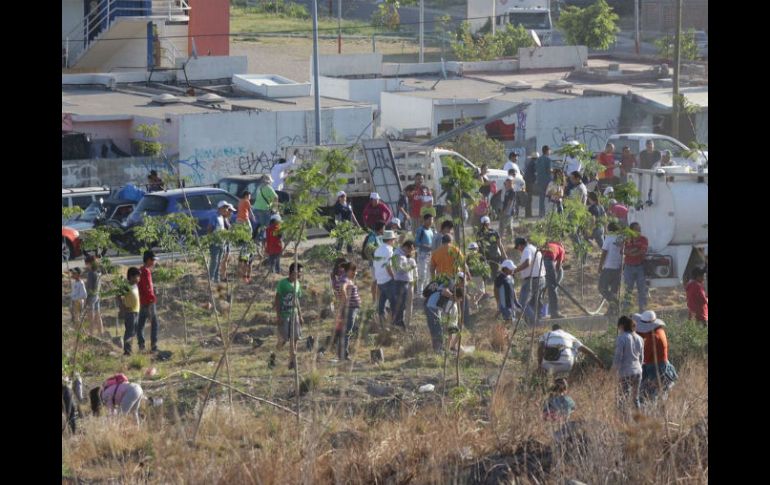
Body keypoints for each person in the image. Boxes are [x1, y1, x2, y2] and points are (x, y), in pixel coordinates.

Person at [634, 311, 678, 403]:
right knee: (658, 393)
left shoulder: (653, 337)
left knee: (652, 394)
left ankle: (653, 413)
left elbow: (644, 356)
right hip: (658, 365)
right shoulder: (658, 330)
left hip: (656, 368)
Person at [538, 324, 604, 378]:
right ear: (562, 330)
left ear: (552, 330)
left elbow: (540, 348)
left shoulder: (547, 334)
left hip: (548, 365)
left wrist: (540, 364)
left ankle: (542, 385)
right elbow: (585, 350)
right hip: (567, 365)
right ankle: (573, 378)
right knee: (575, 350)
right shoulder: (569, 336)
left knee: (542, 373)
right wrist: (598, 361)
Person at [275, 263, 304, 369]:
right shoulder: (282, 283)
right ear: (293, 272)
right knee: (283, 339)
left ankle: (292, 361)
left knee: (295, 338)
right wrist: (278, 316)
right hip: (284, 314)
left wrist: (300, 315)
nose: (301, 274)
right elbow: (277, 299)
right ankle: (274, 354)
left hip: (294, 314)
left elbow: (296, 299)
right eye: (299, 272)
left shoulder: (297, 284)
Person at [612, 316, 644, 411]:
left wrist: (612, 372)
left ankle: (623, 421)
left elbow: (618, 358)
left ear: (621, 326)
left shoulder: (621, 338)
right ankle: (639, 420)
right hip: (638, 371)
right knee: (635, 398)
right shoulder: (640, 338)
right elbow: (642, 358)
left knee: (622, 399)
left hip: (626, 372)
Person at [513, 237, 546, 325]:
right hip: (541, 278)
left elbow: (527, 262)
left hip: (532, 280)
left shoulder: (526, 250)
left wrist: (515, 270)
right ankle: (535, 326)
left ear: (520, 245)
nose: (518, 250)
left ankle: (536, 325)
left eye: (518, 248)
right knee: (534, 304)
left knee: (522, 304)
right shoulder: (534, 248)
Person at [424, 285, 463, 353]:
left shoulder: (454, 302)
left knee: (455, 335)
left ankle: (451, 347)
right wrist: (445, 322)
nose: (461, 300)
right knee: (448, 336)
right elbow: (446, 312)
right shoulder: (450, 302)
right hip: (449, 322)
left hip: (453, 322)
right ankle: (445, 349)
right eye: (460, 298)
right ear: (457, 296)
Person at [373, 230, 399, 332]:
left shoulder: (378, 250)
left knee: (382, 304)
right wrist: (394, 277)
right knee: (394, 304)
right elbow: (389, 267)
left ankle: (383, 326)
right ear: (391, 240)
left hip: (379, 280)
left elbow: (376, 266)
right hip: (387, 280)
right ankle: (393, 325)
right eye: (394, 239)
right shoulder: (389, 250)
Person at [622, 222, 649, 313]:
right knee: (628, 290)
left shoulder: (643, 239)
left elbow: (642, 251)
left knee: (642, 290)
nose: (639, 231)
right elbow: (623, 251)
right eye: (636, 229)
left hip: (640, 267)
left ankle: (643, 311)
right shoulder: (627, 240)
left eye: (639, 229)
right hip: (628, 267)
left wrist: (631, 252)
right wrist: (634, 250)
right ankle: (626, 311)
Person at [137, 251, 160, 352]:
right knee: (154, 323)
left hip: (141, 302)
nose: (155, 262)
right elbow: (148, 288)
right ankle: (154, 346)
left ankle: (141, 346)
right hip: (148, 302)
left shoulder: (140, 270)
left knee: (140, 324)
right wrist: (152, 300)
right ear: (149, 260)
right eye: (154, 260)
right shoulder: (146, 271)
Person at [598, 222, 623, 315]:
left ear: (609, 230)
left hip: (609, 267)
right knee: (613, 291)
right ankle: (612, 311)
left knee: (601, 288)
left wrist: (600, 266)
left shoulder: (609, 238)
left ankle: (615, 304)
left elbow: (604, 253)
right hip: (619, 268)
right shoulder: (621, 238)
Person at [392, 240, 418, 328]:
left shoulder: (404, 255)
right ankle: (398, 324)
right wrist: (410, 267)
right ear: (407, 247)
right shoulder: (396, 254)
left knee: (405, 305)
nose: (410, 252)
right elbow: (398, 269)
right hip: (400, 283)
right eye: (410, 250)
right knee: (400, 305)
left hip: (407, 283)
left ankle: (404, 324)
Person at [339, 263, 361, 360]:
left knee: (349, 330)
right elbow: (342, 288)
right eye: (353, 271)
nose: (355, 273)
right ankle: (344, 354)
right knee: (347, 331)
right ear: (348, 271)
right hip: (350, 309)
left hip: (353, 308)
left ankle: (343, 352)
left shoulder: (348, 279)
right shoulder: (345, 279)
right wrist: (346, 300)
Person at [208, 201, 233, 283]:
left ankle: (216, 278)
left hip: (221, 243)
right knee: (214, 261)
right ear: (220, 208)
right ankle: (211, 278)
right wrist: (211, 239)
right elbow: (210, 228)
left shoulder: (222, 217)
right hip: (215, 243)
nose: (226, 209)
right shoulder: (214, 216)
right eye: (224, 207)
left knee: (219, 261)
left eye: (226, 207)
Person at [361, 221, 386, 301]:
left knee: (378, 281)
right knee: (376, 281)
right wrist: (374, 259)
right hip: (375, 264)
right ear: (381, 228)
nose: (384, 230)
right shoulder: (373, 236)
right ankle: (374, 300)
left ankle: (378, 300)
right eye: (384, 228)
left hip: (380, 263)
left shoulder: (380, 237)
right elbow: (368, 249)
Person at [237, 191, 258, 283]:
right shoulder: (246, 201)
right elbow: (250, 211)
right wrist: (253, 218)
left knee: (243, 234)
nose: (250, 197)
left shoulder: (240, 201)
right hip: (245, 219)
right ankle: (248, 240)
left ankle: (244, 239)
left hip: (238, 219)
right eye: (249, 195)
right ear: (246, 195)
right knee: (250, 231)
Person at [541, 241, 566, 319]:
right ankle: (554, 313)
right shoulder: (561, 249)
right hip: (548, 262)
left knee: (541, 288)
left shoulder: (548, 245)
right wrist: (555, 280)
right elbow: (558, 266)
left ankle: (536, 312)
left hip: (540, 263)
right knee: (552, 289)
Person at [121, 267, 141, 356]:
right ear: (132, 277)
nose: (139, 278)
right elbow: (118, 295)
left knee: (133, 332)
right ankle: (127, 351)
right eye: (137, 276)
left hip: (136, 312)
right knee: (129, 331)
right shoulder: (127, 286)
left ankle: (130, 349)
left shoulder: (135, 285)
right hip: (130, 313)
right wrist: (123, 307)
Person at [83, 255, 105, 337]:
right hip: (97, 296)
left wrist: (85, 300)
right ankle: (101, 333)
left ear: (90, 263)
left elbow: (89, 288)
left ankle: (91, 335)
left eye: (86, 264)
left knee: (90, 318)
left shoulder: (91, 273)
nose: (86, 266)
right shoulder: (98, 272)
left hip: (91, 297)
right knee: (98, 316)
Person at [414, 214, 435, 294]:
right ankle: (420, 292)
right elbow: (416, 242)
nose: (431, 222)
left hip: (430, 254)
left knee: (429, 274)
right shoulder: (420, 230)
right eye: (429, 220)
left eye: (432, 220)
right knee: (422, 273)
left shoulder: (431, 230)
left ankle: (426, 292)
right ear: (425, 220)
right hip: (422, 254)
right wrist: (426, 246)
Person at [535, 146, 553, 217]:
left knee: (541, 197)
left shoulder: (538, 159)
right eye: (550, 151)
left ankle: (541, 213)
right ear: (547, 151)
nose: (550, 152)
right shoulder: (548, 159)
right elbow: (549, 170)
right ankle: (548, 214)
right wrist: (554, 171)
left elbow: (536, 169)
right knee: (550, 197)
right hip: (547, 180)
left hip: (540, 180)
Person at [498, 176, 516, 242]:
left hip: (508, 212)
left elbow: (510, 202)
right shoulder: (507, 191)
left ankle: (509, 240)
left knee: (506, 226)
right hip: (505, 211)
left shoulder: (512, 191)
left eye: (508, 183)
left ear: (511, 183)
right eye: (506, 183)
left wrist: (505, 211)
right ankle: (504, 240)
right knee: (504, 226)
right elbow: (505, 202)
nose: (506, 185)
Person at [523, 152, 539, 218]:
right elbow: (536, 171)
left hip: (526, 181)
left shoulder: (530, 162)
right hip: (530, 182)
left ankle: (528, 214)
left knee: (528, 198)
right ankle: (528, 214)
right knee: (529, 198)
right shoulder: (534, 163)